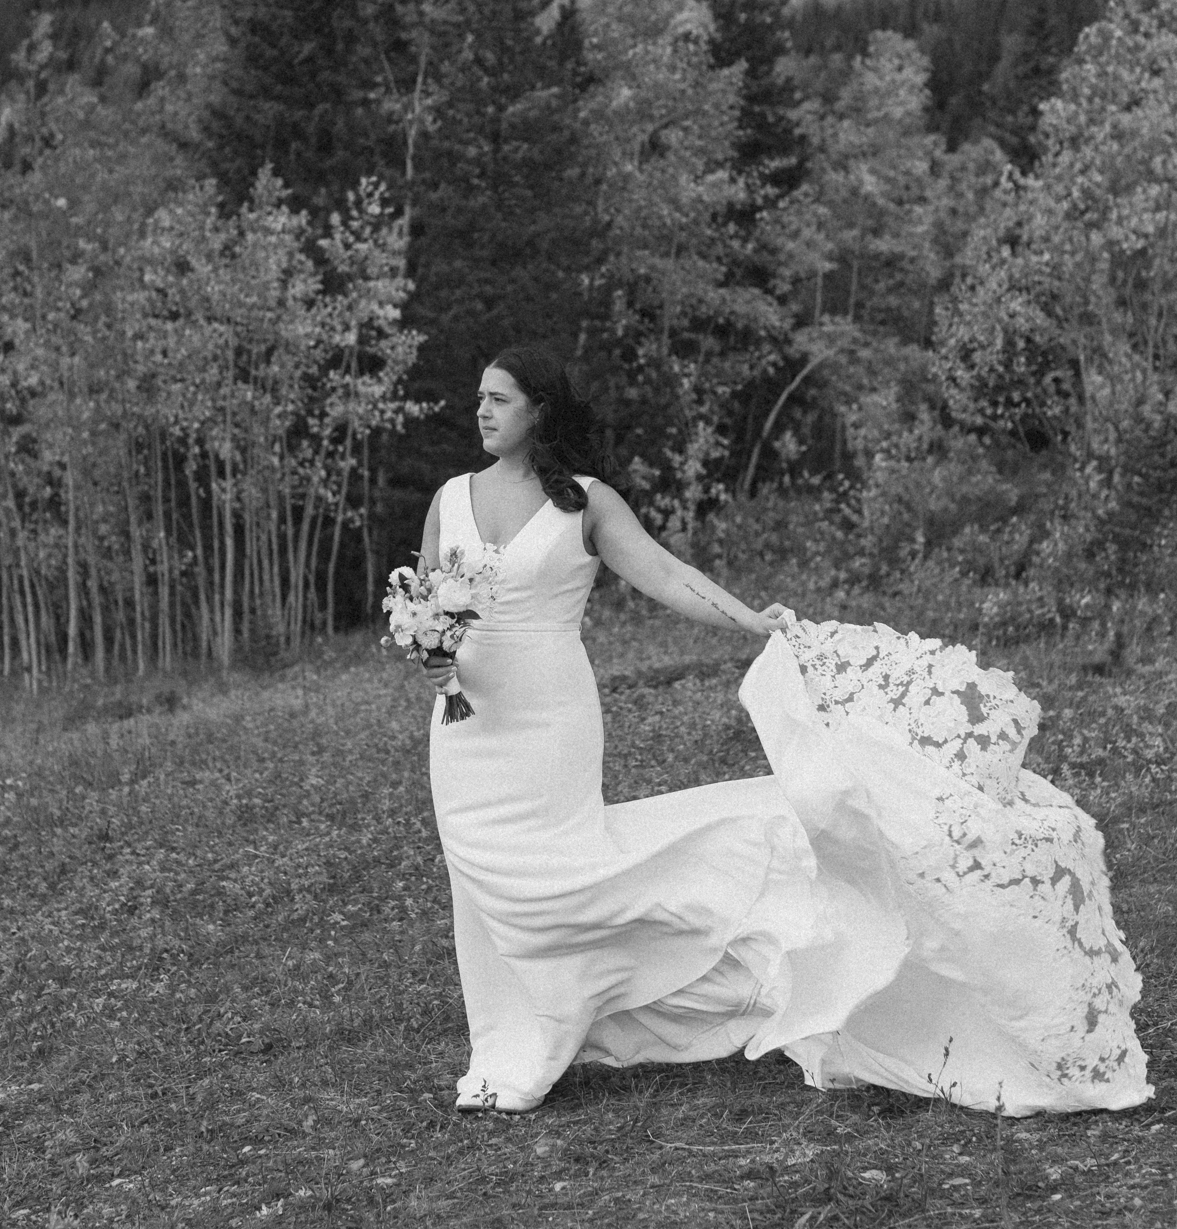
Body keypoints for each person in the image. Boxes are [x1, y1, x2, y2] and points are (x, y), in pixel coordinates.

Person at [416, 345, 1152, 1117]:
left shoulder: (585, 502)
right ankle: (508, 1037)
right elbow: (425, 603)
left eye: (499, 398)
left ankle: (562, 1023)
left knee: (564, 872)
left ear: (540, 410)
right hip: (466, 727)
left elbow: (668, 576)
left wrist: (752, 622)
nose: (482, 411)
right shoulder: (450, 497)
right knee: (485, 882)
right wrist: (428, 657)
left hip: (550, 720)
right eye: (479, 397)